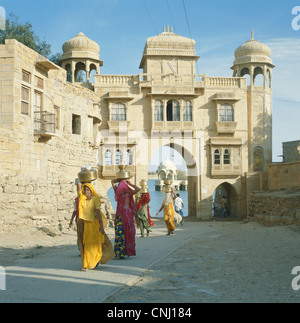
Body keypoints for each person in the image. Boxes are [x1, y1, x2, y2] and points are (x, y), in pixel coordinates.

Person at [76, 182, 114, 271]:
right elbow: (78, 187)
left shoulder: (95, 200)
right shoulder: (82, 199)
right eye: (85, 190)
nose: (86, 192)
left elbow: (98, 213)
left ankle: (93, 261)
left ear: (91, 190)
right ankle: (86, 264)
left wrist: (101, 225)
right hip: (85, 226)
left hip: (94, 225)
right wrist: (81, 181)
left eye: (88, 190)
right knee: (86, 244)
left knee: (94, 244)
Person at [111, 178, 140, 259]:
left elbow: (112, 182)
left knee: (121, 233)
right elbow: (138, 189)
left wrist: (118, 180)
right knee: (124, 233)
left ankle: (121, 252)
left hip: (123, 215)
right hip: (126, 215)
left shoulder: (122, 192)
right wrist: (129, 183)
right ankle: (122, 252)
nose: (121, 186)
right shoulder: (126, 193)